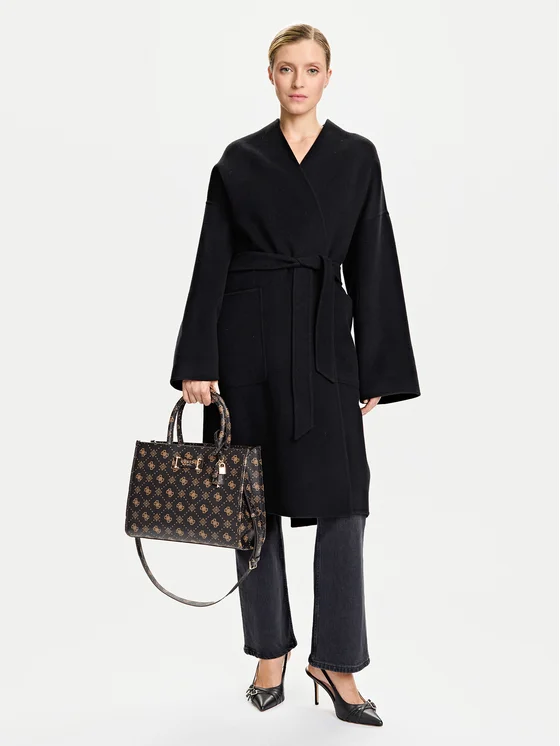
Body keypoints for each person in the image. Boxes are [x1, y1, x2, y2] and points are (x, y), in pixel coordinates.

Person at [170, 24, 420, 726]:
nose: (299, 81)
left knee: (345, 500)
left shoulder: (357, 157)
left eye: (311, 69)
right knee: (251, 504)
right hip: (246, 343)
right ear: (271, 76)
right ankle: (269, 651)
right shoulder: (239, 161)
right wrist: (199, 362)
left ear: (328, 76)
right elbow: (211, 259)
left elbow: (373, 259)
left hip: (322, 343)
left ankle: (335, 659)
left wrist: (376, 365)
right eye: (287, 68)